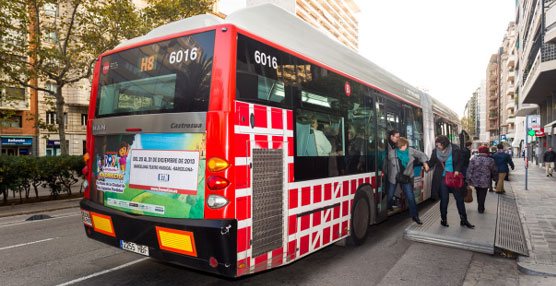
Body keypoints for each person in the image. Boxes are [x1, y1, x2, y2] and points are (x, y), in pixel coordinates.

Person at [427, 135, 474, 228]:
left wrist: (457, 169)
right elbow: (431, 162)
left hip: (454, 178)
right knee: (444, 200)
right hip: (442, 179)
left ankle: (463, 219)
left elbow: (461, 161)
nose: (438, 147)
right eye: (437, 145)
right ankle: (443, 220)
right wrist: (425, 164)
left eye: (439, 145)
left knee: (459, 199)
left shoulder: (455, 149)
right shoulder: (436, 152)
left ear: (445, 144)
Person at [387, 137, 430, 224]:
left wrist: (425, 163)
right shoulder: (392, 153)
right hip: (395, 176)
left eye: (406, 145)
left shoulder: (410, 151)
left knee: (410, 197)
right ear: (399, 146)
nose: (406, 146)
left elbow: (421, 154)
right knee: (390, 194)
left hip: (406, 176)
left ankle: (415, 216)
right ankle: (388, 206)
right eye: (404, 145)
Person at [466, 146, 498, 213]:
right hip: (485, 180)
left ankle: (480, 205)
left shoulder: (474, 159)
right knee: (483, 194)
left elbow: (469, 170)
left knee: (478, 192)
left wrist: (468, 180)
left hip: (476, 180)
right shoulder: (490, 160)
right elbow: (494, 170)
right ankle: (481, 207)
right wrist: (495, 179)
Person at [386, 130, 401, 209]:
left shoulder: (395, 145)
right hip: (391, 170)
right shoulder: (388, 145)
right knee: (392, 187)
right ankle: (389, 204)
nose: (398, 139)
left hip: (395, 170)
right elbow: (391, 158)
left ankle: (393, 202)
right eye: (397, 137)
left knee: (394, 187)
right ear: (391, 136)